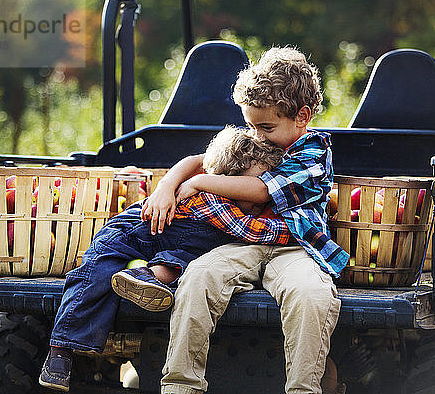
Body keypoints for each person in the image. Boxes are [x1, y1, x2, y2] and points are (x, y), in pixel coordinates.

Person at [141, 47, 350, 394]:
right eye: (251, 125)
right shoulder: (260, 135)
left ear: (301, 116)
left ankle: (303, 389)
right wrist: (167, 184)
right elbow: (200, 158)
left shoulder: (315, 150)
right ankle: (180, 386)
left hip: (296, 246)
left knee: (311, 294)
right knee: (197, 277)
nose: (257, 135)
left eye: (265, 126)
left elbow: (262, 191)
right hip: (243, 241)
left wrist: (198, 182)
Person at [39, 126, 291, 392]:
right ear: (226, 178)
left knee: (185, 262)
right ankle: (61, 350)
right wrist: (301, 233)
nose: (256, 195)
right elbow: (252, 232)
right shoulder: (215, 200)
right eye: (248, 185)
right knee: (96, 271)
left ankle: (143, 276)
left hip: (172, 247)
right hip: (135, 232)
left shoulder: (224, 196)